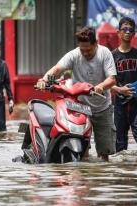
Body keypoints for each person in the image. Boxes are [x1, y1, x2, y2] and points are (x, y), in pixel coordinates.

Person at [36, 27, 117, 161]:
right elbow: (57, 69)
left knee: (104, 154)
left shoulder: (105, 53)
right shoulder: (74, 55)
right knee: (81, 151)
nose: (85, 53)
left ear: (95, 44)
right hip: (80, 108)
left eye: (88, 50)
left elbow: (112, 79)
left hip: (102, 107)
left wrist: (100, 87)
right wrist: (44, 79)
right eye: (82, 50)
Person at [111, 17, 137, 154]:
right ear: (119, 32)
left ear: (134, 34)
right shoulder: (112, 56)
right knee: (120, 142)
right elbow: (109, 81)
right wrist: (119, 89)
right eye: (124, 29)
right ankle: (123, 172)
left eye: (130, 30)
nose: (127, 32)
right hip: (120, 103)